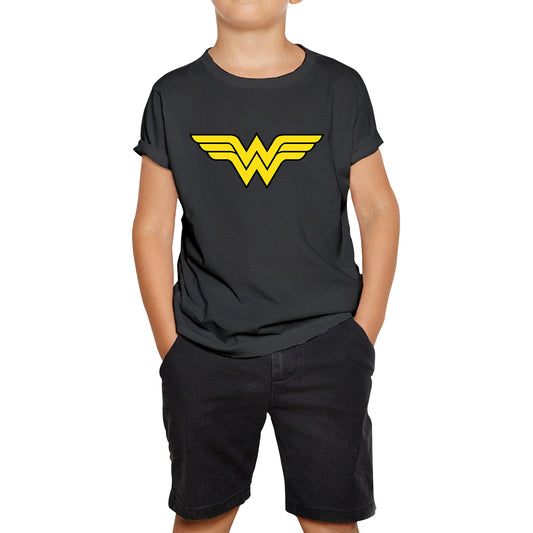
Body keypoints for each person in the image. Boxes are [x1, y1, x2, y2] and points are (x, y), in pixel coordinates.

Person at [132, 1, 400, 531]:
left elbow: (377, 209)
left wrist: (363, 331)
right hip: (206, 350)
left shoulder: (339, 88)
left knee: (332, 521)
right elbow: (152, 227)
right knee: (202, 519)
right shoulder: (174, 95)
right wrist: (173, 346)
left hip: (327, 346)